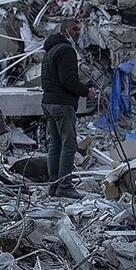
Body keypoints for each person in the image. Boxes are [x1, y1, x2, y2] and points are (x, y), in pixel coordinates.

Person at [41, 19, 95, 199]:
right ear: (64, 31)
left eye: (79, 30)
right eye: (74, 29)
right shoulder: (66, 50)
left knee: (55, 144)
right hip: (62, 104)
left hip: (48, 103)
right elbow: (68, 80)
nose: (77, 33)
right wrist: (86, 92)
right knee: (69, 145)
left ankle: (53, 185)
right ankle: (64, 186)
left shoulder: (50, 51)